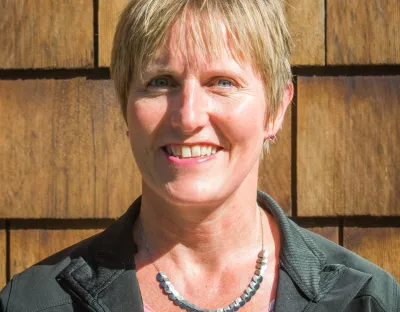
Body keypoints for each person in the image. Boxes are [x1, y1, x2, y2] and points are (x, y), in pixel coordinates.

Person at [1, 0, 399, 311]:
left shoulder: (368, 301)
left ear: (276, 108)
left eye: (222, 82)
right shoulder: (33, 303)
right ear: (126, 106)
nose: (188, 116)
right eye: (161, 82)